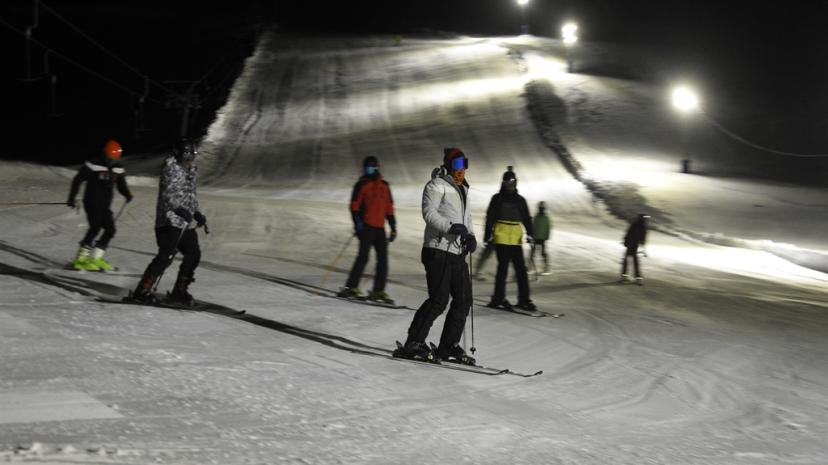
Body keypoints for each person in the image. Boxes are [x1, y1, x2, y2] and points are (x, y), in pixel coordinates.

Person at [395, 147, 477, 364]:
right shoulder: (435, 185)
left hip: (457, 253)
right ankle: (413, 342)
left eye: (465, 164)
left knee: (464, 300)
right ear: (449, 166)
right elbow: (428, 213)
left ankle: (448, 346)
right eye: (458, 165)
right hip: (437, 250)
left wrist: (470, 236)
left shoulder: (464, 190)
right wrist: (451, 227)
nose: (462, 170)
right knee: (439, 300)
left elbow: (468, 219)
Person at [131, 137, 206, 305]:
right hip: (169, 221)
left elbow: (190, 197)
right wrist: (179, 209)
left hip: (184, 223)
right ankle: (142, 290)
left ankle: (180, 290)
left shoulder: (189, 171)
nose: (190, 157)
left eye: (192, 153)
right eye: (186, 153)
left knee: (193, 254)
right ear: (178, 153)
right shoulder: (171, 169)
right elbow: (168, 194)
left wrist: (197, 213)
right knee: (167, 255)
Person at [337, 156, 397, 304]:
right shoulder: (361, 185)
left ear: (376, 168)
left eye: (370, 168)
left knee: (383, 261)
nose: (368, 171)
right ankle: (351, 287)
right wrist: (358, 223)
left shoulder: (385, 186)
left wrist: (393, 227)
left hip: (380, 229)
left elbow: (389, 208)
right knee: (363, 258)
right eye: (366, 168)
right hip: (367, 227)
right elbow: (354, 206)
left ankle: (378, 291)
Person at [66, 139, 133, 271]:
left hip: (105, 205)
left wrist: (127, 194)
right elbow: (78, 179)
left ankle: (95, 258)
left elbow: (121, 184)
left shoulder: (118, 167)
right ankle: (81, 259)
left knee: (110, 230)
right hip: (91, 201)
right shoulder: (93, 164)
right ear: (105, 154)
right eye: (111, 157)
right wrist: (72, 198)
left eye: (115, 157)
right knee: (95, 228)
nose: (113, 160)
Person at [484, 166, 535, 311]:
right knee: (503, 269)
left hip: (515, 239)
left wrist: (530, 234)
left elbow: (526, 218)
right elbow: (490, 218)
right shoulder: (497, 199)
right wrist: (487, 235)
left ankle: (524, 299)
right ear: (504, 183)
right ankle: (499, 298)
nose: (510, 186)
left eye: (512, 183)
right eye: (508, 183)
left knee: (521, 270)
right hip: (501, 238)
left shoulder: (520, 200)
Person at [621, 213, 649, 284]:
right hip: (634, 245)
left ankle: (625, 276)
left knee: (627, 260)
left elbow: (628, 233)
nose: (645, 219)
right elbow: (643, 238)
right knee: (634, 261)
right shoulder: (642, 226)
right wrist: (642, 245)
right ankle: (637, 277)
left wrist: (625, 241)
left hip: (631, 244)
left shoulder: (635, 225)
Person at [530, 201, 551, 275]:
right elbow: (533, 227)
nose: (541, 209)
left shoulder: (546, 218)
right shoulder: (536, 217)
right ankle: (531, 268)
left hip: (542, 238)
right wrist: (531, 235)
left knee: (542, 253)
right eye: (540, 208)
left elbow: (548, 228)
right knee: (533, 253)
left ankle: (546, 269)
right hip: (536, 237)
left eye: (542, 208)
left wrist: (547, 236)